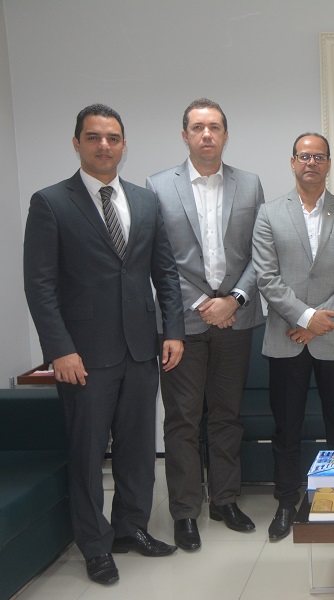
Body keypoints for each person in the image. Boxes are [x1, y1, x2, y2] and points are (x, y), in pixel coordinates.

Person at [23, 104, 185, 584]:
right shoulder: (51, 202)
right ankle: (94, 545)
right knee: (88, 453)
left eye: (113, 138)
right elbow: (40, 285)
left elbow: (165, 273)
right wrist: (59, 349)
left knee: (137, 449)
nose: (104, 146)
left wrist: (173, 331)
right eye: (93, 137)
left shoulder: (145, 201)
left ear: (124, 145)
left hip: (141, 350)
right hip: (83, 355)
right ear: (76, 143)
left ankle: (131, 528)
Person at [147, 98, 265, 550]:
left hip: (236, 319)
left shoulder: (249, 184)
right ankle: (184, 511)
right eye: (198, 127)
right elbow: (160, 259)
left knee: (227, 414)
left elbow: (260, 254)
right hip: (182, 324)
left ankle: (225, 500)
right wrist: (203, 303)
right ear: (185, 135)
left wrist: (233, 300)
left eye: (214, 127)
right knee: (182, 419)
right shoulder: (158, 186)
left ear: (225, 134)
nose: (207, 135)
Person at [252, 133, 334, 540]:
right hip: (286, 335)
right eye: (304, 156)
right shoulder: (269, 213)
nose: (311, 163)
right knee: (286, 427)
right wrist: (305, 317)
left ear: (329, 163)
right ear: (292, 162)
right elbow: (266, 277)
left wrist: (320, 321)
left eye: (319, 157)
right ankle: (286, 502)